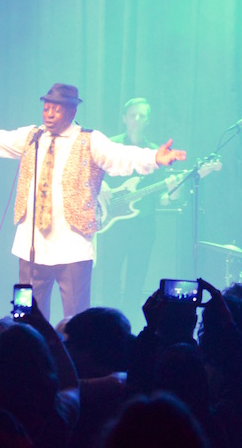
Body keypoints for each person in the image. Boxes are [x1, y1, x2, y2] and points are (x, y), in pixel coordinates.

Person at [0, 83, 186, 320]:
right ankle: (25, 361)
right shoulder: (32, 136)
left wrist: (154, 158)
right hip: (30, 246)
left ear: (72, 111)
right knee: (25, 313)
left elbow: (120, 156)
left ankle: (76, 368)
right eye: (47, 108)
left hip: (72, 246)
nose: (50, 114)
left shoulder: (90, 140)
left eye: (57, 109)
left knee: (77, 320)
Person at [97, 97, 162, 321]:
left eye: (141, 116)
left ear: (148, 120)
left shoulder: (156, 152)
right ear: (124, 118)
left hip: (144, 223)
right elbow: (89, 173)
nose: (136, 119)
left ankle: (130, 325)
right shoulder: (110, 145)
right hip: (113, 222)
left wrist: (171, 192)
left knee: (137, 279)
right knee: (111, 277)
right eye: (132, 115)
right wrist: (101, 184)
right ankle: (108, 324)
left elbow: (164, 196)